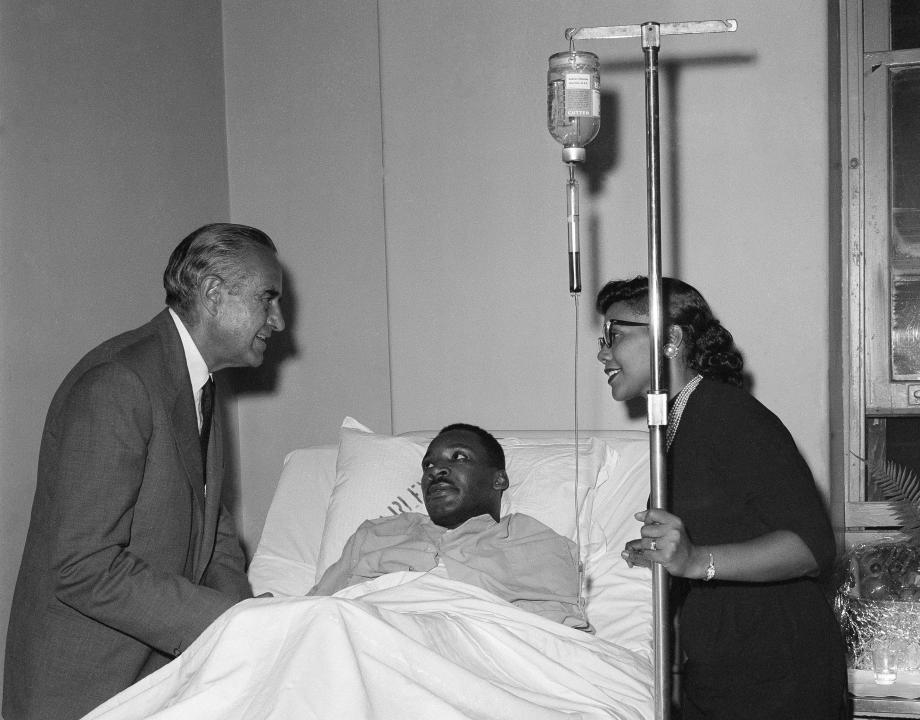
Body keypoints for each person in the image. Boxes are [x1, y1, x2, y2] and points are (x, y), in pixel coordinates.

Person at [3, 223, 286, 720]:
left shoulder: (199, 383)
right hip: (84, 691)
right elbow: (82, 567)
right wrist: (225, 621)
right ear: (215, 294)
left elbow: (214, 536)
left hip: (156, 681)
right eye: (268, 299)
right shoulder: (119, 383)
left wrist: (244, 622)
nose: (278, 321)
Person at [596, 276, 847, 720]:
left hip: (778, 671)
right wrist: (663, 559)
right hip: (722, 667)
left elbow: (812, 548)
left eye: (614, 335)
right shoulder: (681, 422)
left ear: (670, 337)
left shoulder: (726, 413)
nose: (603, 353)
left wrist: (696, 560)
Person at [309, 423, 589, 630]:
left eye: (459, 458)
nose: (435, 470)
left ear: (499, 480)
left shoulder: (536, 542)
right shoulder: (374, 534)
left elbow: (559, 636)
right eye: (428, 464)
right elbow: (312, 612)